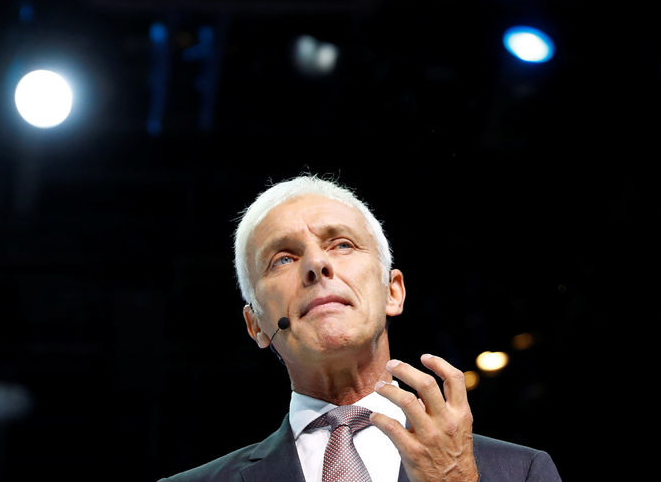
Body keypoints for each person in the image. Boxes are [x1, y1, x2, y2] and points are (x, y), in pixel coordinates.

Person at [159, 174, 561, 482]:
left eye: (342, 245)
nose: (317, 265)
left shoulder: (522, 471)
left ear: (393, 291)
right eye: (283, 258)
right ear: (256, 325)